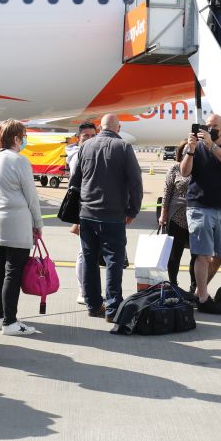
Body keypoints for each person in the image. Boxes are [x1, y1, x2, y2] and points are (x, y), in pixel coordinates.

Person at [68, 114, 143, 322]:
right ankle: (112, 308)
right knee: (113, 261)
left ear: (100, 128)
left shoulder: (85, 146)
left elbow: (75, 181)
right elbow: (136, 182)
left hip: (87, 214)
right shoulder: (124, 147)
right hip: (112, 215)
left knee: (90, 260)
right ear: (117, 128)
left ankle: (93, 304)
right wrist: (133, 211)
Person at [0, 119, 45, 336]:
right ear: (16, 139)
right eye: (24, 136)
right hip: (15, 224)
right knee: (13, 273)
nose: (25, 140)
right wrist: (38, 223)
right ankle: (10, 321)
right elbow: (31, 197)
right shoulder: (19, 161)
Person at [180, 113, 221, 313]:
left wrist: (212, 145)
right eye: (207, 126)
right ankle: (204, 298)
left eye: (214, 126)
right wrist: (190, 151)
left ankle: (198, 292)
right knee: (203, 254)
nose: (209, 129)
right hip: (199, 206)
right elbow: (184, 172)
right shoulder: (196, 149)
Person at [67, 121, 99, 304]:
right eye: (85, 136)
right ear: (78, 138)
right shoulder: (77, 156)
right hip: (83, 209)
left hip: (96, 208)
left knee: (92, 252)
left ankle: (89, 289)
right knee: (84, 252)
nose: (89, 139)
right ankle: (82, 290)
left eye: (92, 136)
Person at [159, 142, 196, 291]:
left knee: (197, 255)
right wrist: (163, 214)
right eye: (186, 150)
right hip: (177, 217)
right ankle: (173, 284)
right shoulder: (175, 168)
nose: (189, 153)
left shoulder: (201, 169)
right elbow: (167, 193)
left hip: (196, 217)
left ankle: (194, 286)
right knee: (175, 254)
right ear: (182, 153)